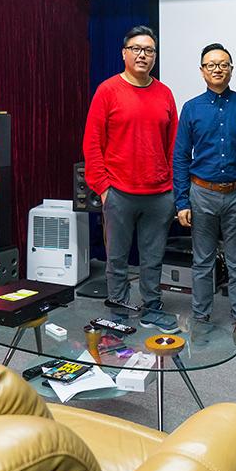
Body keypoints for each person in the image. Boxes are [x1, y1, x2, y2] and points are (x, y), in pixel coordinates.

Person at [82, 25, 179, 333]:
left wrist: (173, 188)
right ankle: (119, 312)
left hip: (159, 194)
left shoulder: (164, 93)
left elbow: (174, 146)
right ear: (124, 53)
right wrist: (104, 188)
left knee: (153, 259)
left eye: (149, 50)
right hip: (119, 193)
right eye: (136, 49)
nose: (142, 55)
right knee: (117, 260)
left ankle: (152, 309)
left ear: (155, 56)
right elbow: (92, 143)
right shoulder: (107, 91)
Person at [172, 43, 236, 347]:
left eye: (223, 64)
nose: (217, 69)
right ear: (202, 71)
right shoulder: (191, 108)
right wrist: (182, 201)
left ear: (231, 69)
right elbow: (180, 157)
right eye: (211, 64)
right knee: (202, 262)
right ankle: (201, 319)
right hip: (202, 193)